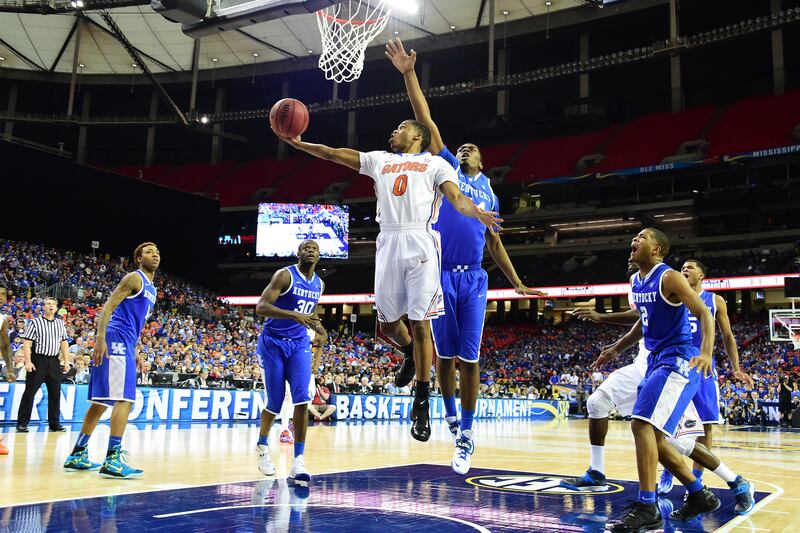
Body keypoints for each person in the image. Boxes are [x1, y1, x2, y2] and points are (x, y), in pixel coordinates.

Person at [274, 114, 500, 444]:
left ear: (418, 136)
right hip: (389, 241)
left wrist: (476, 211)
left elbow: (456, 198)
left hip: (422, 241)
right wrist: (299, 144)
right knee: (388, 326)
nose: (394, 131)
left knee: (421, 323)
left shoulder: (436, 164)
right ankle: (408, 352)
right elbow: (333, 154)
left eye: (401, 128)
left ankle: (421, 400)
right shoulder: (380, 160)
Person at [385, 37, 542, 471]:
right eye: (462, 147)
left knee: (469, 358)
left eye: (472, 149)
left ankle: (467, 431)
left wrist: (517, 282)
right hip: (438, 273)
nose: (465, 149)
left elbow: (495, 242)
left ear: (483, 162)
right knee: (445, 356)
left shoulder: (490, 193)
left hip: (473, 278)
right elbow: (425, 120)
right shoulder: (448, 169)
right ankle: (451, 417)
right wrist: (409, 74)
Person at [602, 229, 718, 532]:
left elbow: (705, 314)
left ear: (656, 249)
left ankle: (647, 507)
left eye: (642, 236)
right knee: (654, 437)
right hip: (655, 360)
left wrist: (706, 352)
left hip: (678, 358)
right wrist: (616, 348)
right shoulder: (635, 281)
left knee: (641, 425)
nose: (635, 239)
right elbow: (644, 322)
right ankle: (699, 494)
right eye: (634, 236)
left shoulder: (669, 277)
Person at [657, 259, 754, 501]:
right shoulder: (672, 295)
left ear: (701, 275)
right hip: (677, 365)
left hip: (703, 369)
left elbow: (728, 336)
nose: (684, 270)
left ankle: (697, 479)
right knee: (666, 425)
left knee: (707, 425)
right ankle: (670, 470)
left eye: (690, 267)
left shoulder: (715, 300)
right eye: (682, 268)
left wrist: (736, 368)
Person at [63, 242, 160, 478]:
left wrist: (135, 351)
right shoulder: (134, 278)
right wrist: (100, 338)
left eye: (157, 252)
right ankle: (113, 459)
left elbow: (134, 323)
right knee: (125, 399)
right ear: (139, 258)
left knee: (101, 402)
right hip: (116, 339)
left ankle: (77, 453)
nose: (155, 255)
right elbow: (108, 306)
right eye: (149, 252)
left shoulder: (152, 289)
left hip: (125, 341)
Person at [254, 240, 325, 487]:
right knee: (274, 403)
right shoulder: (284, 275)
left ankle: (299, 461)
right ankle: (262, 446)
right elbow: (261, 307)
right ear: (298, 253)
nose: (310, 250)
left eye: (314, 248)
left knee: (302, 400)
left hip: (299, 344)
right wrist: (294, 315)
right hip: (273, 342)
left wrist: (321, 329)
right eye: (306, 247)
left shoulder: (319, 284)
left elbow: (310, 313)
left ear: (319, 255)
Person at [16, 297, 71, 433]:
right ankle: (22, 423)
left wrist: (66, 360)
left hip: (54, 360)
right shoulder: (35, 322)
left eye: (53, 304)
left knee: (55, 394)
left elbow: (64, 343)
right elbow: (27, 343)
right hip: (38, 359)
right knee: (30, 392)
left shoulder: (60, 323)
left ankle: (54, 424)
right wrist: (28, 361)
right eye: (48, 304)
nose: (51, 306)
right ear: (43, 307)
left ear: (56, 308)